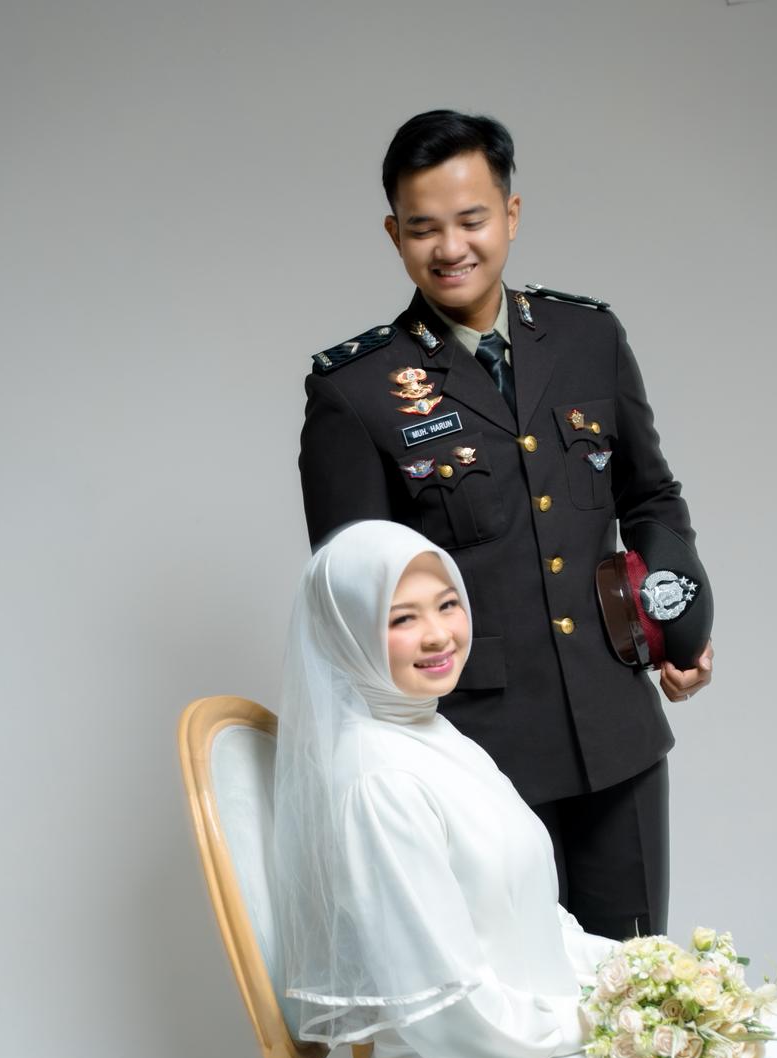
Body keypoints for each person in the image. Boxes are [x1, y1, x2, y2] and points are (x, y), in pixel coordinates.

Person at [273, 519, 777, 1058]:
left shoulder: (435, 736)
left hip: (522, 1055)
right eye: (401, 618)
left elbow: (533, 918)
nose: (438, 634)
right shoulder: (379, 783)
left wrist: (645, 980)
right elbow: (454, 1023)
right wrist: (605, 1024)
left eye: (447, 604)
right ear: (348, 633)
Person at [299, 109, 713, 944]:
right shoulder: (358, 391)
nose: (450, 247)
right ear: (395, 235)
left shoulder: (588, 338)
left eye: (472, 220)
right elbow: (356, 594)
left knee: (636, 986)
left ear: (511, 216)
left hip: (616, 735)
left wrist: (679, 621)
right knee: (513, 994)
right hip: (470, 753)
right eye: (424, 228)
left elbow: (651, 496)